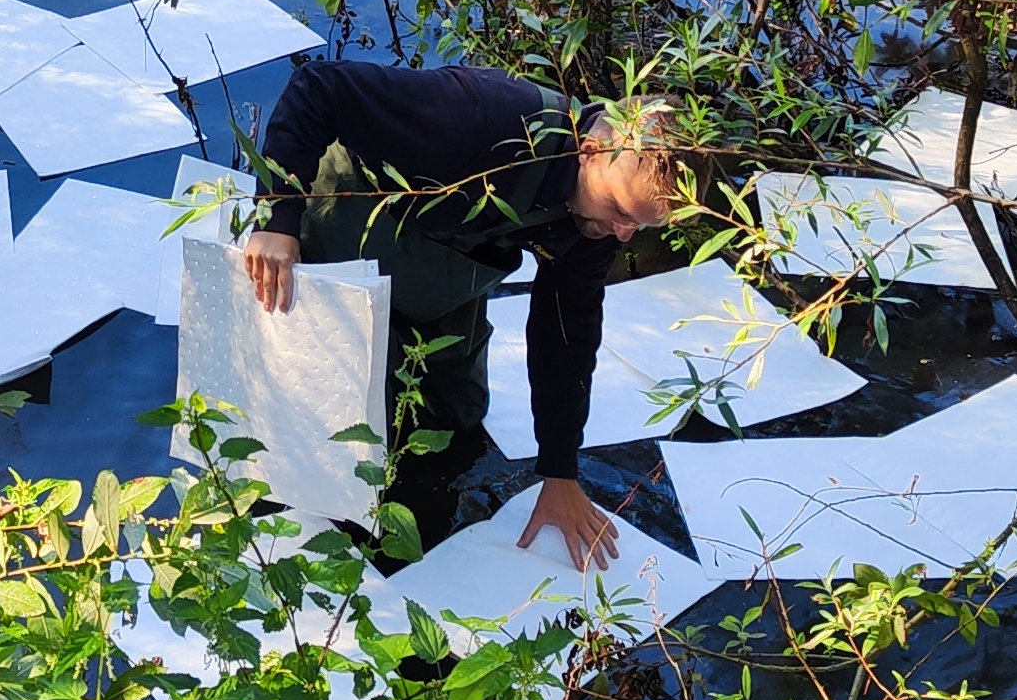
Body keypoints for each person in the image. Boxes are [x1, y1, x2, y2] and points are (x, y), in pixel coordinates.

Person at [235, 60, 683, 571]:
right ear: (590, 152)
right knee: (352, 444)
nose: (624, 235)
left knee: (456, 419)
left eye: (640, 228)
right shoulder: (475, 115)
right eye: (622, 213)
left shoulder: (596, 224)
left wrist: (559, 471)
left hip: (446, 261)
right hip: (350, 225)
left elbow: (567, 335)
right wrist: (278, 216)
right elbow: (319, 86)